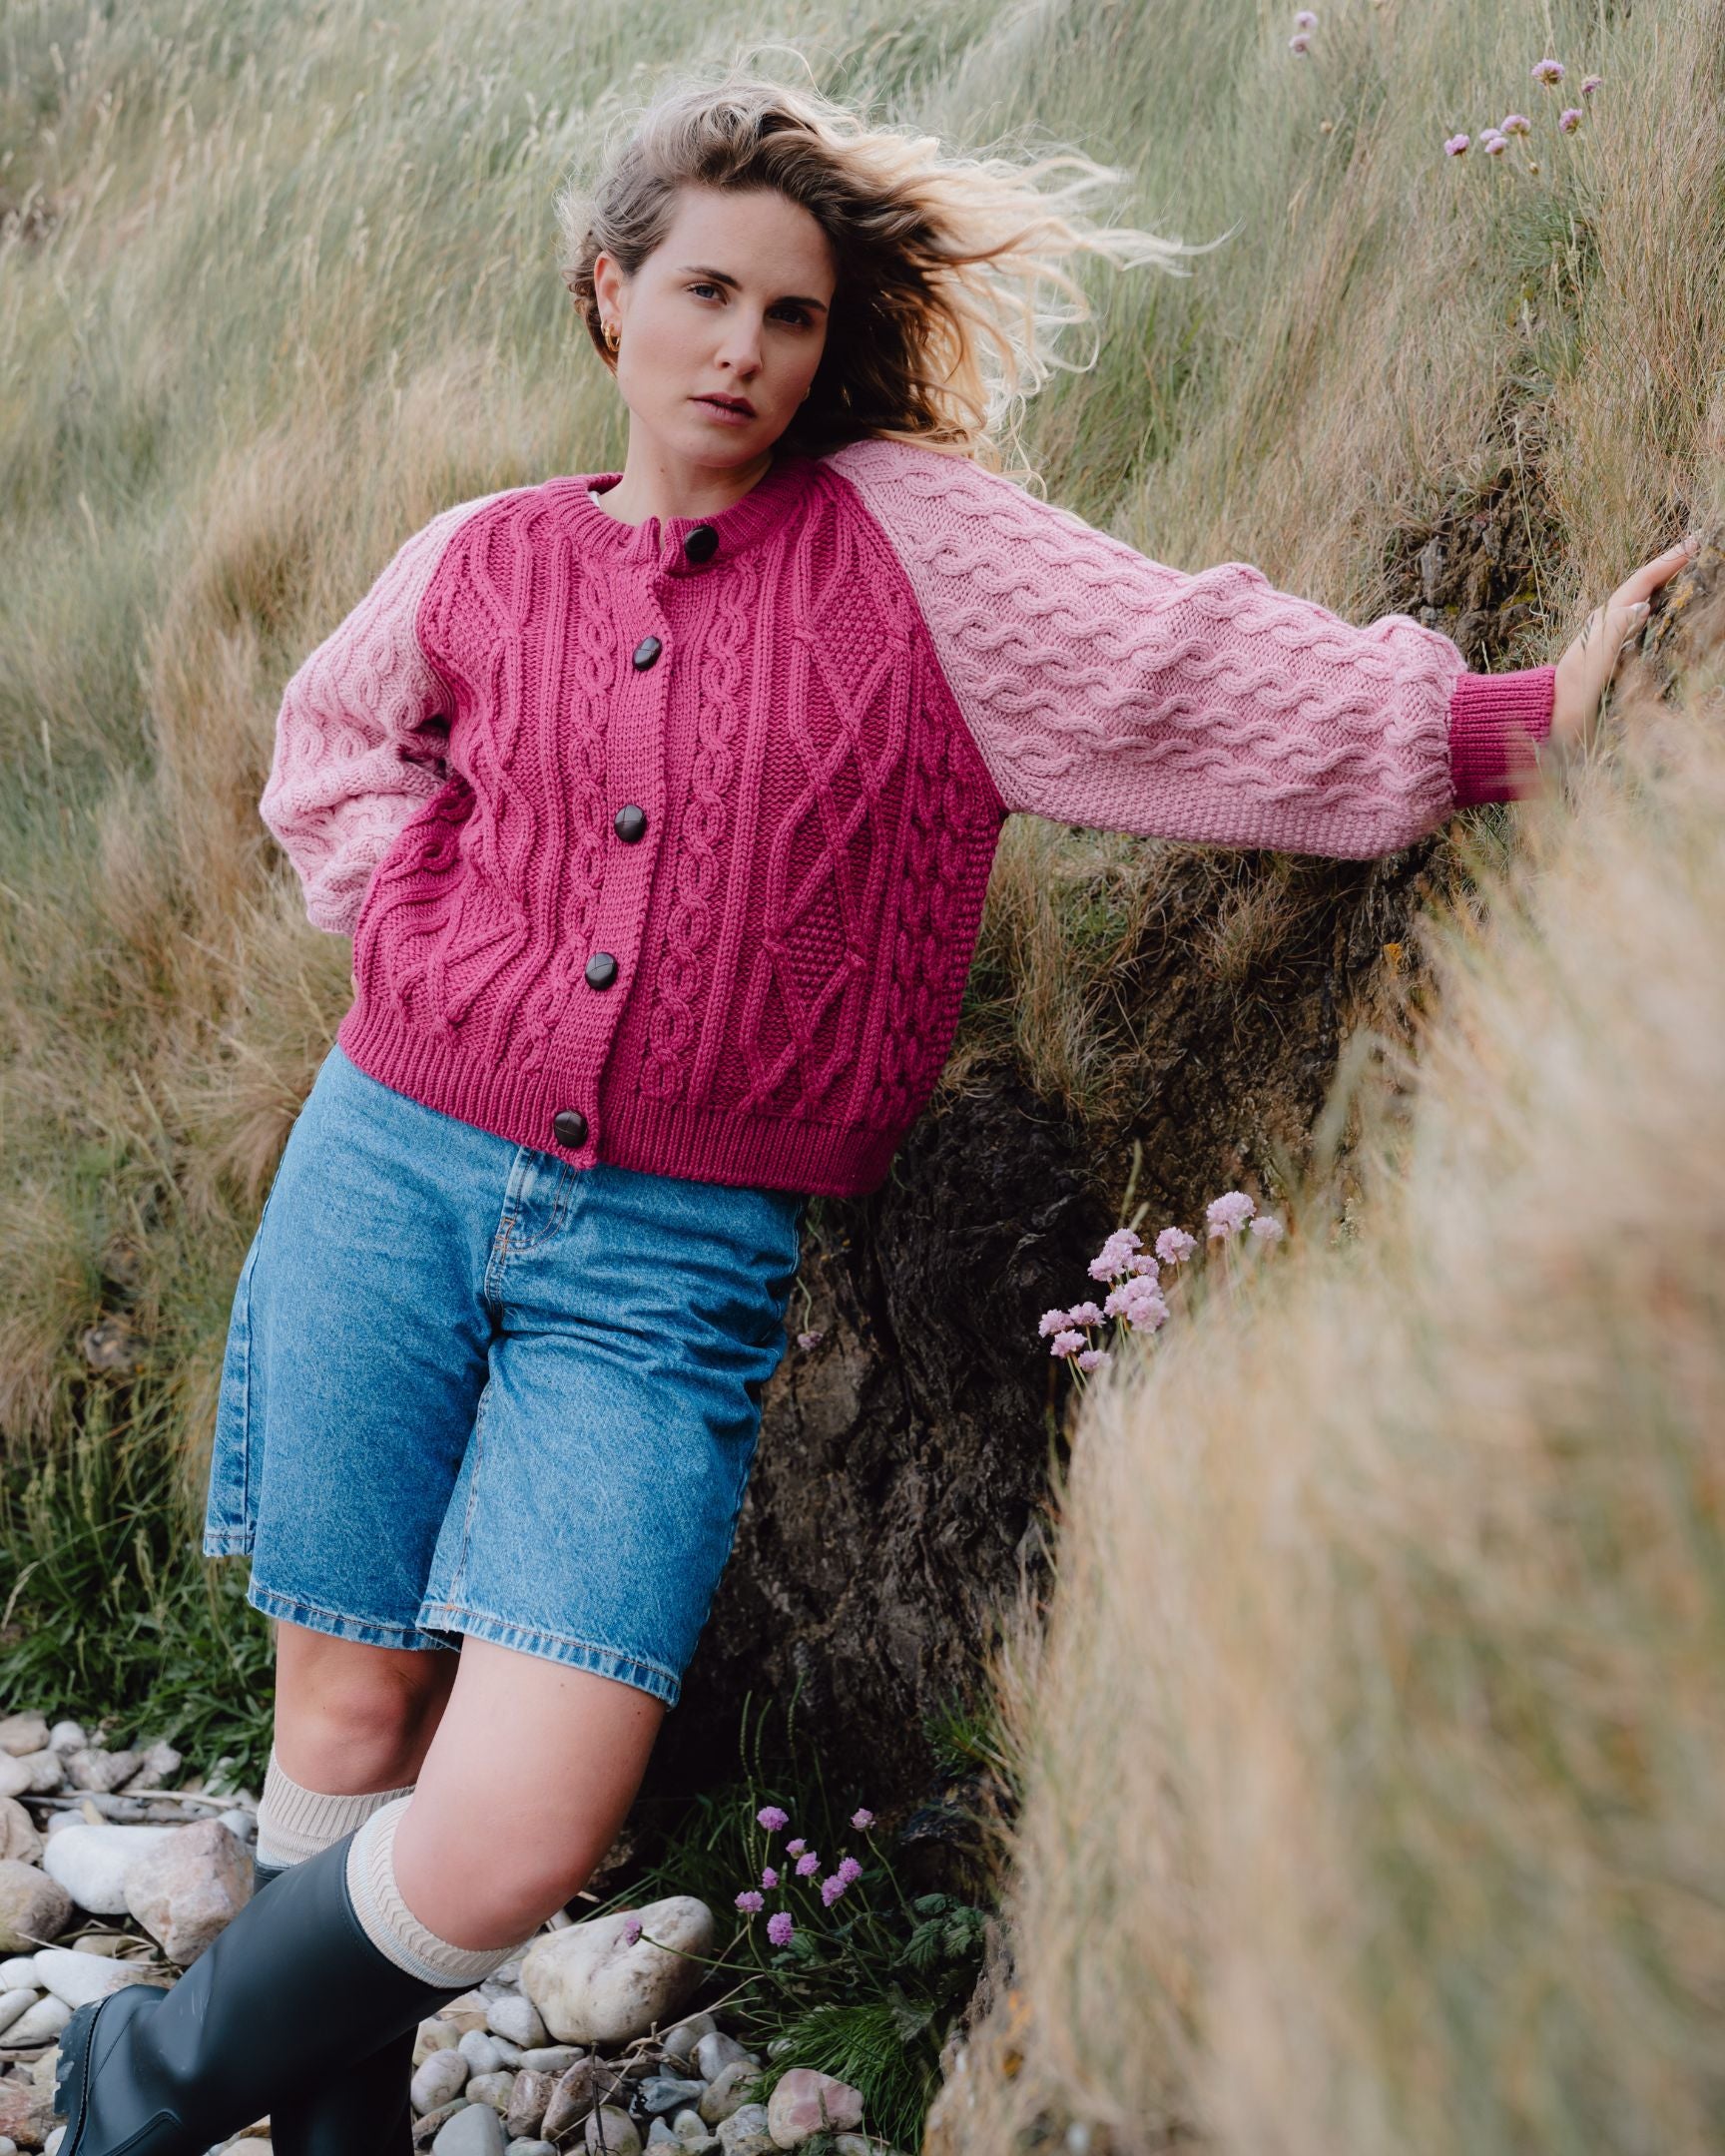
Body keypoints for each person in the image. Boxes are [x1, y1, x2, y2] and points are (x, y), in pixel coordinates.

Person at [54, 62, 1700, 2156]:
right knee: (351, 1707)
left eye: (794, 313)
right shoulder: (478, 555)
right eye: (706, 294)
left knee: (521, 1828)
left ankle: (138, 2077)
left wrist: (1502, 725)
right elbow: (332, 752)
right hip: (385, 1166)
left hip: (669, 1263)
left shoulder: (917, 550)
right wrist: (429, 947)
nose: (743, 347)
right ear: (608, 302)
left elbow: (1178, 669)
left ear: (837, 343)